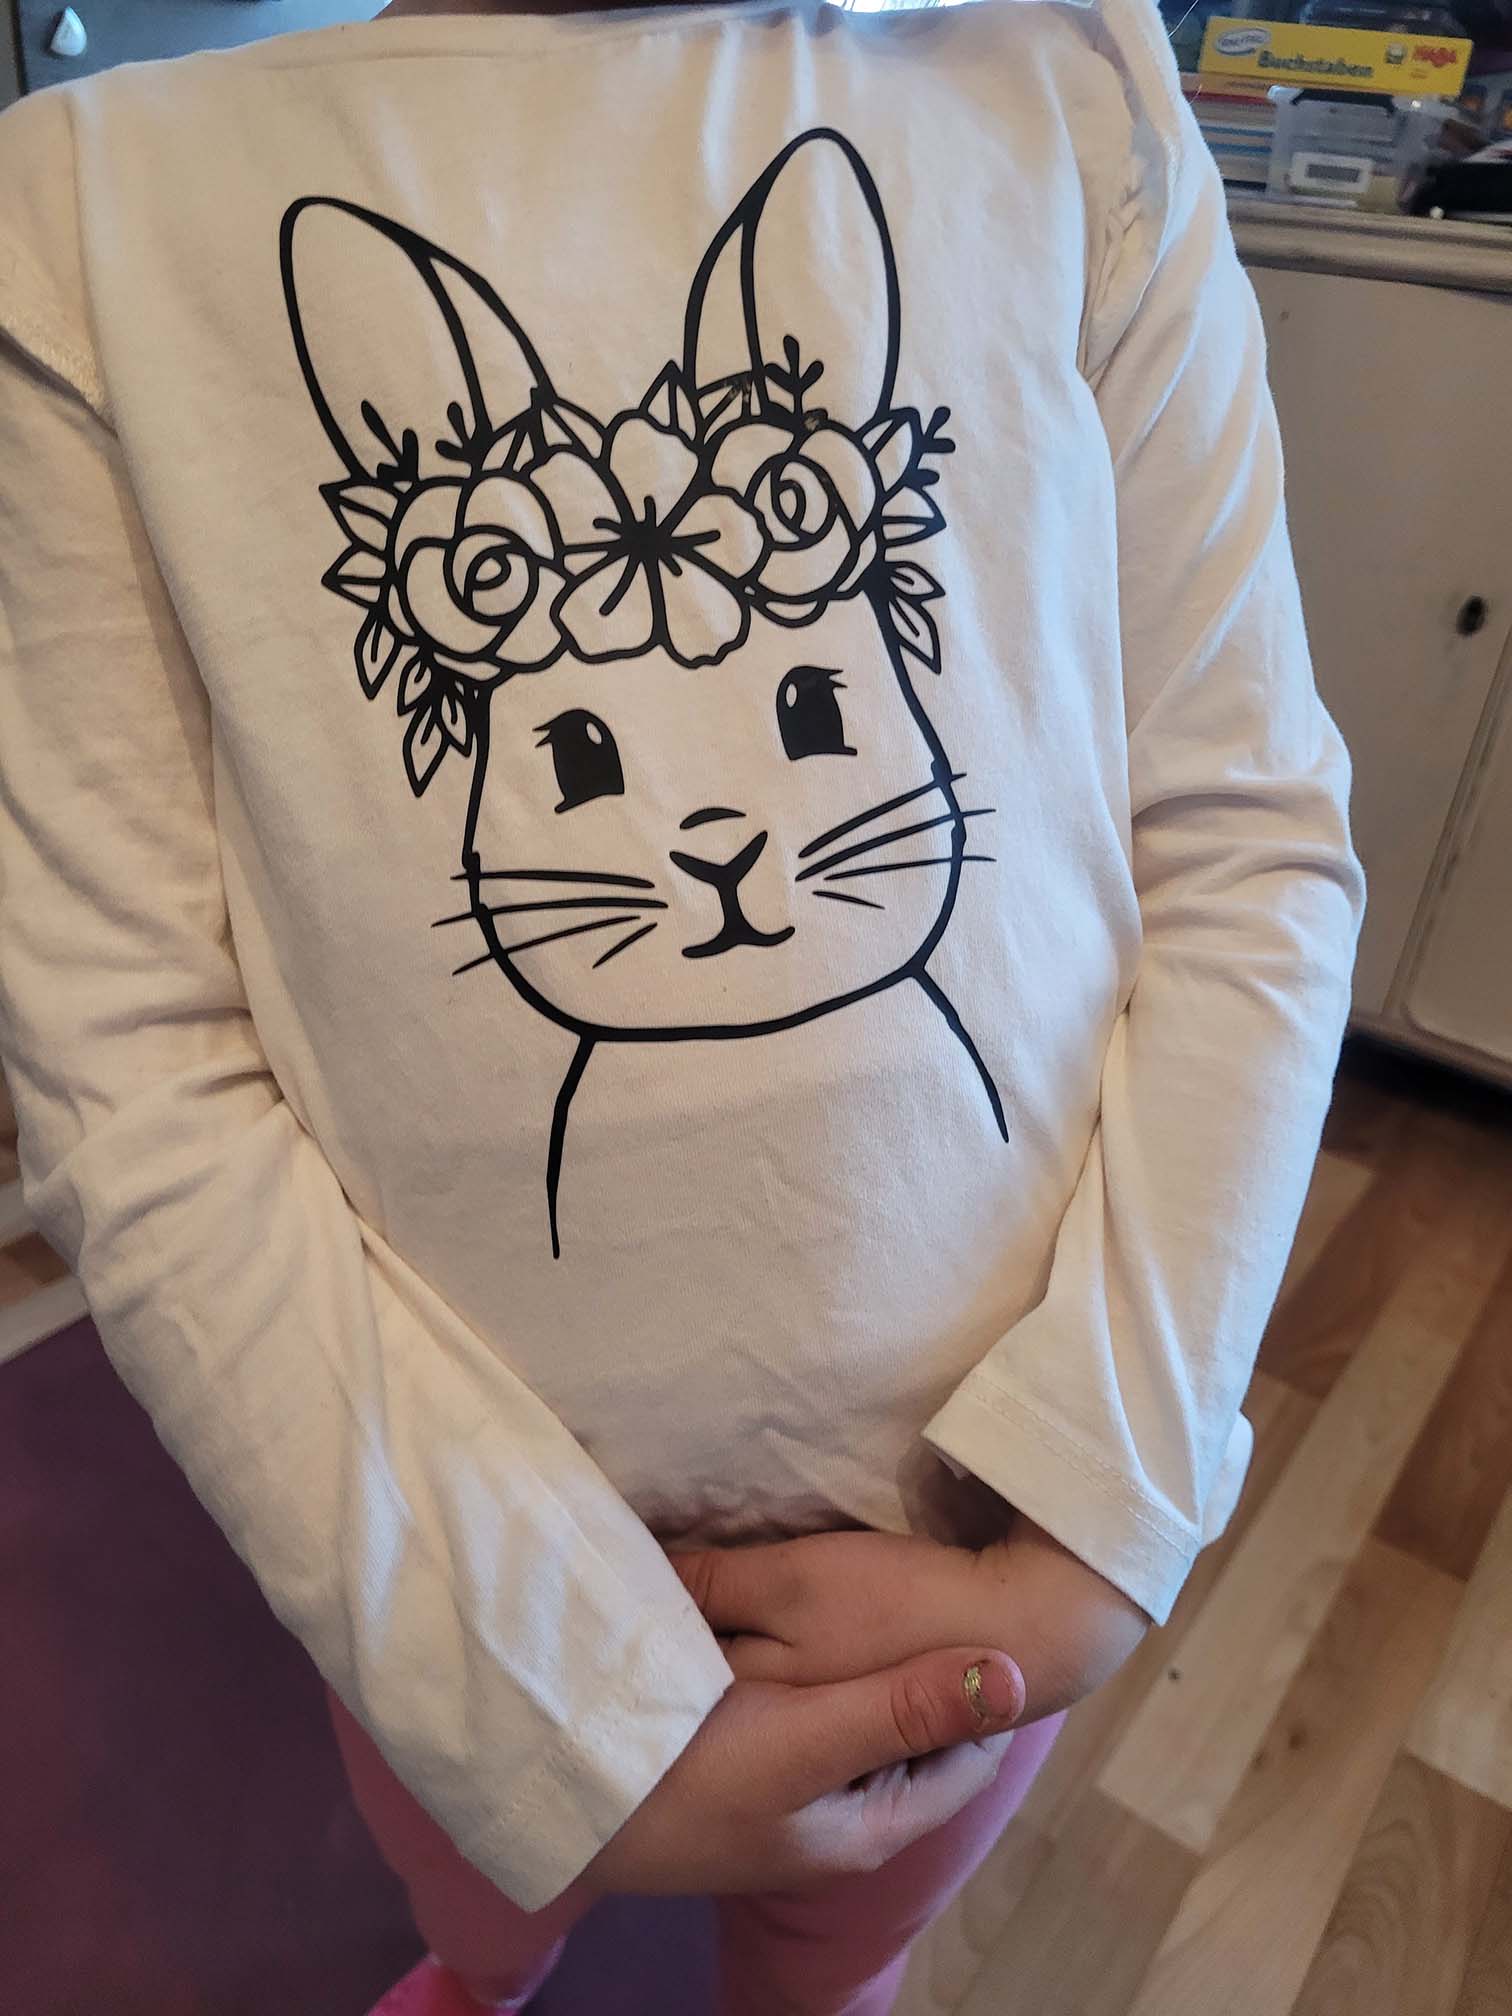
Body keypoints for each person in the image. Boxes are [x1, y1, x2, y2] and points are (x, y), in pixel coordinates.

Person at [0, 0, 1365, 2006]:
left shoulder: (1066, 98)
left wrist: (1090, 1533)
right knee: (479, 1904)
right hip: (438, 1553)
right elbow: (131, 1057)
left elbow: (1246, 840)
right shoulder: (89, 213)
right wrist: (514, 1688)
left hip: (968, 1553)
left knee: (844, 1945)